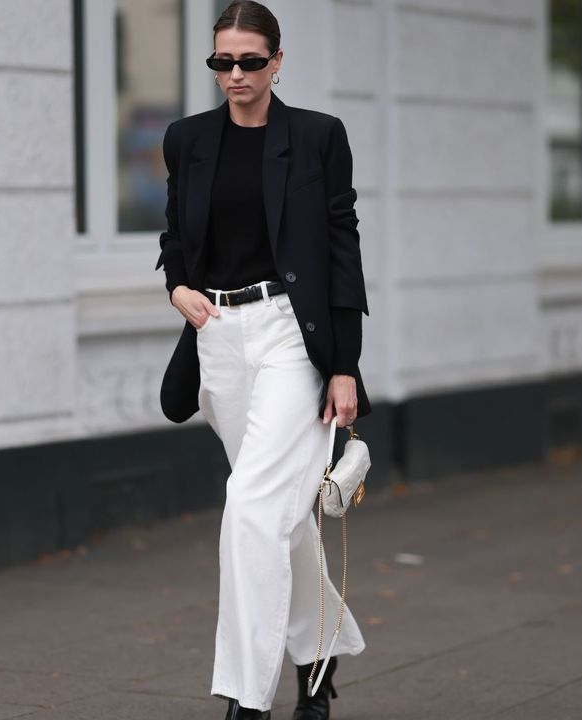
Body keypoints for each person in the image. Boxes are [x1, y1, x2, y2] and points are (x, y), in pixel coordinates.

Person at [152, 2, 371, 717]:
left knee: (250, 508)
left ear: (278, 61)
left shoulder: (316, 138)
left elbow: (342, 245)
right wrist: (178, 287)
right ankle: (320, 659)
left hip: (289, 333)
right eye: (223, 62)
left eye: (250, 61)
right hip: (219, 334)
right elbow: (175, 235)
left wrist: (343, 363)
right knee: (279, 515)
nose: (236, 74)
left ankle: (246, 700)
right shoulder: (187, 140)